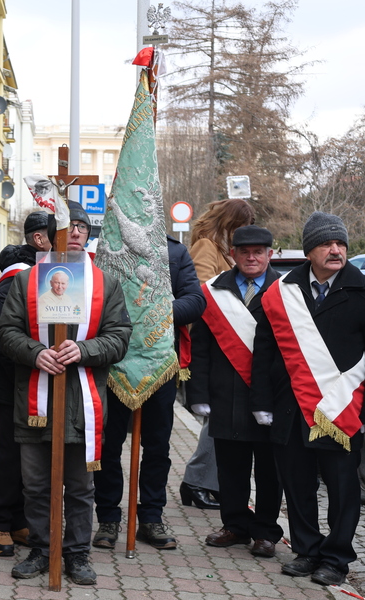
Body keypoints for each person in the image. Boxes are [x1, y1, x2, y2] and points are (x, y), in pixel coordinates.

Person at [251, 211, 365, 586]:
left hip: (341, 410)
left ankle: (336, 558)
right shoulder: (281, 292)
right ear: (309, 250)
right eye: (326, 244)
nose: (335, 250)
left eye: (340, 243)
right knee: (297, 486)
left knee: (344, 490)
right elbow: (262, 351)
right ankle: (307, 550)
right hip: (289, 408)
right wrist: (262, 403)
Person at [0, 201, 132, 585]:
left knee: (79, 486)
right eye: (67, 226)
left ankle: (76, 554)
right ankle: (42, 549)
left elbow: (120, 337)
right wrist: (36, 352)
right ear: (52, 233)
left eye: (82, 226)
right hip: (35, 404)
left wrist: (84, 350)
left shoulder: (105, 283)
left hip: (83, 405)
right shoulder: (26, 281)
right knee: (37, 485)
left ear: (89, 235)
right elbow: (6, 333)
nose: (75, 232)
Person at [93, 234, 205, 550]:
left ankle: (151, 518)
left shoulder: (175, 251)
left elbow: (195, 300)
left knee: (157, 447)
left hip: (159, 365)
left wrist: (156, 311)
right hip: (114, 363)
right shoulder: (108, 247)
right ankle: (108, 519)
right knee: (108, 445)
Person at [187, 225, 283, 558]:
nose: (252, 257)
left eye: (259, 251)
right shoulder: (213, 291)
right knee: (230, 468)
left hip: (271, 397)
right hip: (226, 395)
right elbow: (199, 348)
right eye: (245, 252)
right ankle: (235, 525)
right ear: (233, 255)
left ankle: (265, 531)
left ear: (270, 255)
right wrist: (197, 394)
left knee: (270, 470)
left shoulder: (287, 290)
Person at [0, 211, 50, 557]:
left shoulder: (49, 272)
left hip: (40, 381)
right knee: (11, 455)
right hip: (14, 384)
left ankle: (18, 520)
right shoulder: (15, 278)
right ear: (39, 239)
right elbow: (4, 336)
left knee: (33, 457)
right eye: (62, 233)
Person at [180, 198, 256, 509]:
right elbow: (201, 291)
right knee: (217, 420)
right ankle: (196, 482)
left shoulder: (219, 248)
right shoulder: (207, 247)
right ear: (230, 224)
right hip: (212, 342)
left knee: (223, 421)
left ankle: (209, 482)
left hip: (227, 343)